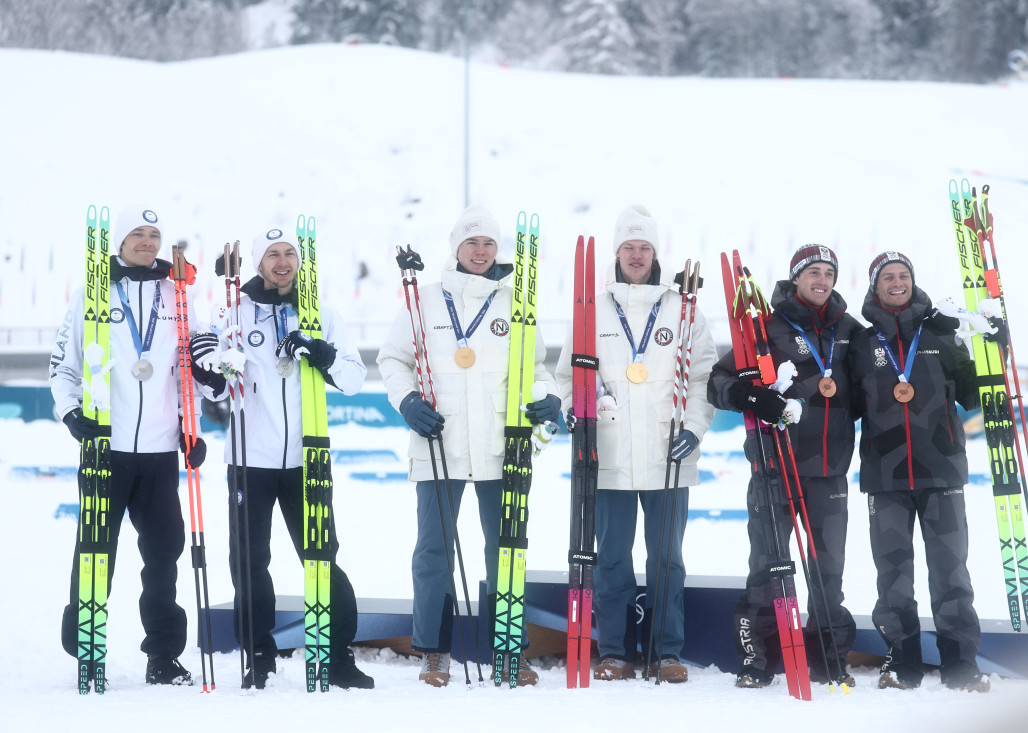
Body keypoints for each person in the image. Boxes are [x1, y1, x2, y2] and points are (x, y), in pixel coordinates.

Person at [377, 205, 561, 688]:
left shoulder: (513, 302)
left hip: (502, 447)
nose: (480, 252)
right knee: (433, 552)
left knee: (506, 549)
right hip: (438, 442)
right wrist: (408, 400)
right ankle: (434, 651)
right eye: (471, 243)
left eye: (488, 244)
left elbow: (537, 367)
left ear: (498, 252)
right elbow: (393, 359)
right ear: (456, 248)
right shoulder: (425, 300)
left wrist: (548, 397)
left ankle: (509, 649)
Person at [189, 227, 373, 690]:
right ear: (259, 263)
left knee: (321, 554)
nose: (283, 261)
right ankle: (258, 653)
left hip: (308, 456)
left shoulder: (322, 313)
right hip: (250, 458)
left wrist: (323, 353)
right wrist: (207, 365)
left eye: (290, 252)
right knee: (249, 561)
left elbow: (353, 378)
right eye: (273, 254)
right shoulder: (232, 310)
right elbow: (217, 387)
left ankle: (336, 653)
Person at [554, 204, 717, 683]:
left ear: (655, 253)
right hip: (609, 455)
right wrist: (575, 410)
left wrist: (695, 427)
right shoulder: (593, 307)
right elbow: (568, 376)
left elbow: (704, 375)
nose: (637, 255)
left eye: (644, 247)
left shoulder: (683, 308)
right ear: (617, 252)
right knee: (611, 561)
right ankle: (613, 652)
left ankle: (666, 652)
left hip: (669, 454)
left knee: (667, 558)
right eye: (629, 246)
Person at [50, 205, 206, 686]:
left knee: (164, 556)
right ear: (119, 241)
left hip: (159, 452)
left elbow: (188, 371)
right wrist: (71, 411)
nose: (147, 242)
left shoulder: (175, 294)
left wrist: (189, 428)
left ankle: (163, 654)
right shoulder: (92, 294)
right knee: (97, 550)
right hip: (106, 449)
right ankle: (87, 649)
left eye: (154, 235)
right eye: (137, 234)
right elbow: (63, 365)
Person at [706, 244, 861, 689]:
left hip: (829, 470)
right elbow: (718, 382)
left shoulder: (849, 330)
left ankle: (829, 659)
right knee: (768, 566)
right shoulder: (764, 327)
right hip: (775, 465)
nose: (821, 279)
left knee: (827, 572)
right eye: (812, 271)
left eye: (828, 273)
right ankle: (758, 660)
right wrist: (748, 395)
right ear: (795, 278)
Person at [848, 251, 989, 692]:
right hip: (884, 476)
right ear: (875, 287)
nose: (896, 282)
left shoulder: (941, 333)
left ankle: (961, 663)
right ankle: (902, 660)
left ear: (913, 281)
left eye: (903, 275)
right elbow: (845, 406)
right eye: (887, 277)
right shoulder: (861, 343)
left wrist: (990, 345)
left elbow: (976, 394)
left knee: (951, 572)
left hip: (941, 471)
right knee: (892, 575)